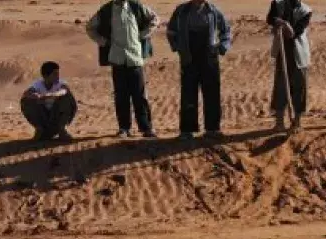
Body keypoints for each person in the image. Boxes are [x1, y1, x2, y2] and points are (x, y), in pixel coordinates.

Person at [86, 0, 159, 138]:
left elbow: (154, 19)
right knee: (121, 96)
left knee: (140, 95)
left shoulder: (136, 7)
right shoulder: (106, 10)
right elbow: (90, 28)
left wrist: (142, 35)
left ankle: (146, 128)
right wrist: (103, 42)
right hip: (117, 58)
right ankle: (124, 128)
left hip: (135, 58)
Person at [167, 0, 232, 140]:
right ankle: (187, 131)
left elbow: (226, 31)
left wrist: (222, 47)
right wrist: (178, 48)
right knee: (188, 94)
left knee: (212, 93)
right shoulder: (181, 11)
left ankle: (212, 129)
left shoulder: (213, 11)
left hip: (209, 59)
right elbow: (171, 31)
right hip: (189, 59)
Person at [267, 0, 312, 132]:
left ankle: (297, 122)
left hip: (299, 54)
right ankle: (279, 122)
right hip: (282, 52)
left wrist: (285, 25)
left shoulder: (306, 10)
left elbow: (295, 32)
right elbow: (270, 19)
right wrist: (278, 22)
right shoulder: (277, 4)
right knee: (280, 86)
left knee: (299, 87)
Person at [21, 62, 77, 142]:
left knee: (67, 98)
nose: (57, 76)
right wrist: (37, 96)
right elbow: (27, 93)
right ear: (45, 76)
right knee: (26, 100)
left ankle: (62, 129)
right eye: (55, 74)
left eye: (58, 74)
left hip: (56, 118)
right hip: (44, 118)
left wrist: (52, 95)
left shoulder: (60, 83)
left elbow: (64, 91)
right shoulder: (38, 84)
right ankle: (40, 129)